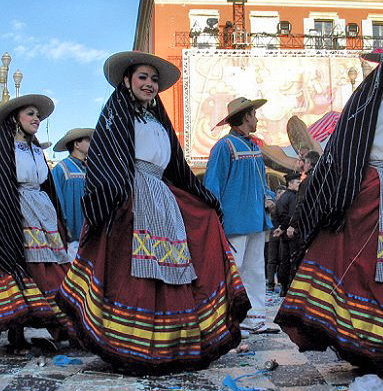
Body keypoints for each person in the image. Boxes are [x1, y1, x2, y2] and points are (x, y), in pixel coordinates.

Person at [59, 51, 250, 372]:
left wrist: (202, 196)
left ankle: (171, 344)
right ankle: (129, 345)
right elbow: (107, 157)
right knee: (133, 274)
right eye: (142, 77)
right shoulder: (117, 116)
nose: (149, 84)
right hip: (131, 193)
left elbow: (176, 164)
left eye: (153, 79)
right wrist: (116, 200)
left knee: (172, 269)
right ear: (126, 81)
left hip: (162, 195)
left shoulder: (158, 120)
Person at [275, 49, 383, 372]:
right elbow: (343, 150)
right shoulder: (366, 104)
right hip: (369, 191)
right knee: (357, 266)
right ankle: (363, 341)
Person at [0, 94, 75, 355]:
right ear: (16, 119)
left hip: (41, 210)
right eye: (30, 114)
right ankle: (16, 332)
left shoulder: (36, 150)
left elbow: (47, 184)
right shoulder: (3, 149)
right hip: (16, 210)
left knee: (51, 267)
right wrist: (8, 220)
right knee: (23, 265)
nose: (36, 119)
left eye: (37, 115)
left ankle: (61, 326)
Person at [203, 97, 278, 336]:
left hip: (256, 219)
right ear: (246, 116)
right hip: (234, 221)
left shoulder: (254, 147)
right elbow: (212, 185)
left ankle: (255, 318)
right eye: (255, 115)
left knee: (256, 269)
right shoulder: (224, 146)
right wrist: (215, 217)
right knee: (234, 270)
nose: (257, 119)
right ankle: (228, 320)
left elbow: (261, 181)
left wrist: (268, 197)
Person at [52, 128, 94, 242]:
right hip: (71, 235)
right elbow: (56, 199)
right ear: (77, 144)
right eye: (88, 140)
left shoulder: (89, 169)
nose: (92, 143)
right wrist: (64, 227)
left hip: (89, 232)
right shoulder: (61, 168)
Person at [272, 173, 301, 296]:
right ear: (290, 183)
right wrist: (285, 227)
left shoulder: (282, 198)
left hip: (283, 233)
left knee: (284, 261)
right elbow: (291, 215)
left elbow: (276, 215)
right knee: (292, 260)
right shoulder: (293, 197)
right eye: (297, 182)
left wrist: (280, 227)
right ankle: (291, 288)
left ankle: (283, 288)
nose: (299, 185)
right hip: (290, 233)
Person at [266, 184, 286, 292]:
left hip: (282, 233)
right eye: (279, 193)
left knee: (281, 258)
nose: (281, 195)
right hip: (274, 233)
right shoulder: (273, 205)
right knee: (272, 259)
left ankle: (279, 280)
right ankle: (270, 282)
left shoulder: (286, 203)